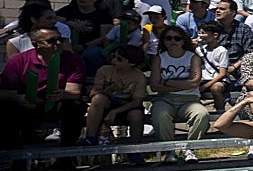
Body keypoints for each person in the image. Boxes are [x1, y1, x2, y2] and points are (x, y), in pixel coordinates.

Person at [0, 27, 86, 156]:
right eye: (51, 40)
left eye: (61, 39)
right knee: (5, 107)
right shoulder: (18, 61)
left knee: (76, 106)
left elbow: (74, 91)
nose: (58, 43)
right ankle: (14, 155)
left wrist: (62, 94)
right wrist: (18, 98)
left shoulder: (73, 60)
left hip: (56, 104)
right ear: (36, 44)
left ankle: (66, 155)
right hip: (26, 104)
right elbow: (4, 92)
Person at [149, 27, 211, 163]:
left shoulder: (193, 58)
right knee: (160, 115)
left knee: (201, 114)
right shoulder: (159, 59)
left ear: (183, 41)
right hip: (164, 99)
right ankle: (170, 150)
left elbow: (194, 83)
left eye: (177, 38)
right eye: (168, 38)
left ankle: (190, 149)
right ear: (164, 41)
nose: (173, 41)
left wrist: (168, 83)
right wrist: (183, 84)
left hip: (190, 99)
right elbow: (154, 86)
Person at [81, 44, 147, 160]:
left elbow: (136, 102)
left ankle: (135, 149)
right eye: (114, 56)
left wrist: (115, 112)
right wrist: (107, 90)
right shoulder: (104, 70)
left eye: (119, 59)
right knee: (98, 99)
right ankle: (90, 137)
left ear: (131, 63)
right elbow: (93, 93)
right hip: (107, 104)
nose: (114, 60)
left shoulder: (139, 77)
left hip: (127, 106)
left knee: (136, 115)